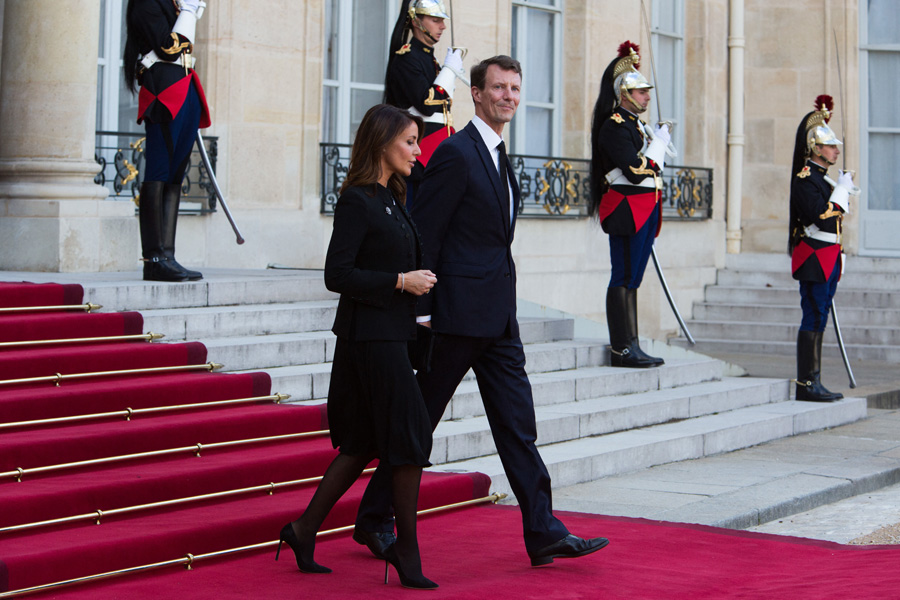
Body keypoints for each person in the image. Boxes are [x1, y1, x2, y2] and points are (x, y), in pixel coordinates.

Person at [352, 56, 609, 568]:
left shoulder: (497, 154)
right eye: (498, 87)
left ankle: (543, 530)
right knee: (418, 424)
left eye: (515, 88)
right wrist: (422, 311)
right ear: (476, 93)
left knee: (518, 424)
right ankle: (374, 519)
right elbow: (425, 232)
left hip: (497, 318)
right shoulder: (457, 153)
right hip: (454, 319)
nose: (508, 96)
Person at [276, 104, 439, 589]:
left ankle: (303, 531)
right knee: (409, 440)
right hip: (370, 339)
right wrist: (399, 281)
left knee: (364, 444)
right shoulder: (358, 201)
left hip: (393, 337)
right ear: (383, 142)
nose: (417, 149)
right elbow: (336, 275)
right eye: (409, 141)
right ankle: (406, 552)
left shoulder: (393, 196)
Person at [589, 41, 672, 368]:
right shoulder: (615, 126)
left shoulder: (636, 127)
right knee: (622, 276)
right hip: (626, 209)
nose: (647, 96)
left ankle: (632, 344)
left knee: (633, 278)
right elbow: (636, 172)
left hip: (644, 209)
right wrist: (657, 149)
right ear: (624, 94)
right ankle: (621, 348)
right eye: (641, 92)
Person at [123, 0, 210, 282]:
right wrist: (188, 12)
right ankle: (154, 259)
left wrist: (188, 11)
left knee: (174, 176)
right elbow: (169, 47)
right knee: (158, 172)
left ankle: (169, 255)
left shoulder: (172, 5)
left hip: (183, 85)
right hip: (163, 89)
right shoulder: (146, 4)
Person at [788, 95, 856, 402]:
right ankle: (806, 383)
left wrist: (838, 189)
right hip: (815, 255)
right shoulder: (807, 179)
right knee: (813, 314)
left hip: (828, 256)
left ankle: (814, 379)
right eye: (830, 146)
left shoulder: (823, 180)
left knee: (820, 314)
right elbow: (819, 215)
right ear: (816, 148)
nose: (836, 150)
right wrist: (840, 192)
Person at [384, 0, 465, 205]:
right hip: (419, 154)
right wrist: (448, 71)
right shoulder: (407, 58)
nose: (442, 26)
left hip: (436, 150)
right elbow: (426, 105)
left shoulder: (431, 60)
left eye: (442, 21)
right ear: (416, 21)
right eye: (435, 20)